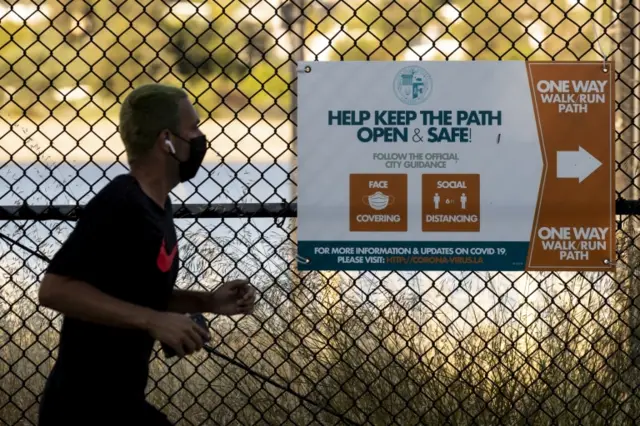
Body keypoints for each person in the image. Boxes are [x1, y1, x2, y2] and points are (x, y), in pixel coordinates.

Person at [37, 83, 257, 426]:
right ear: (167, 140)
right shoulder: (121, 203)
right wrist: (154, 321)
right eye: (194, 128)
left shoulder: (159, 205)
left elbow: (135, 294)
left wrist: (207, 303)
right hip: (82, 407)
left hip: (120, 402)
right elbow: (54, 289)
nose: (201, 138)